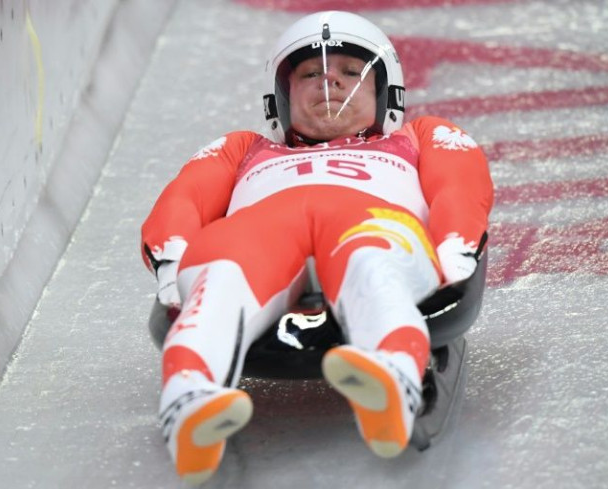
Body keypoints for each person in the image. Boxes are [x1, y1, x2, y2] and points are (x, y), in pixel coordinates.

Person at [141, 10, 494, 485]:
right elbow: (186, 196)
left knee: (373, 262)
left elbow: (460, 185)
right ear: (281, 97)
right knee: (221, 274)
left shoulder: (420, 136)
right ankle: (189, 402)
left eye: (351, 72)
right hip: (261, 228)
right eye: (310, 74)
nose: (330, 84)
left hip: (369, 218)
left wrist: (455, 248)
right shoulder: (243, 148)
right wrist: (171, 262)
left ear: (385, 91)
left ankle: (391, 375)